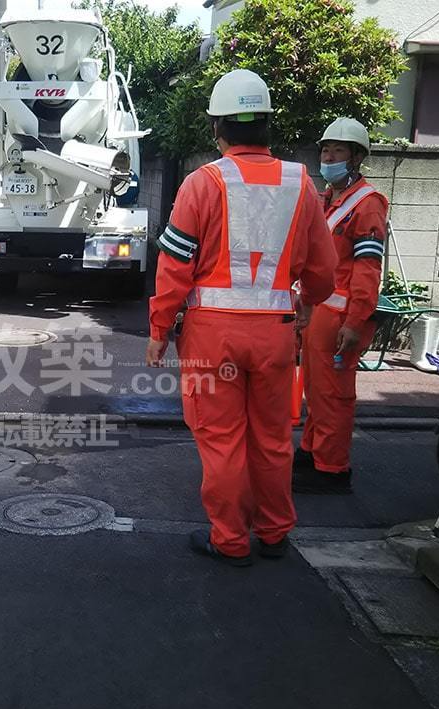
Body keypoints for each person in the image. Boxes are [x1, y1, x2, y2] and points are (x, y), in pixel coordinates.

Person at [146, 69, 337, 567]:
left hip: (213, 337)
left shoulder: (201, 184)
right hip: (275, 334)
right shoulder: (302, 184)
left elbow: (174, 266)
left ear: (218, 128)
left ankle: (230, 540)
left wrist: (159, 330)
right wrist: (308, 303)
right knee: (273, 438)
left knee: (222, 440)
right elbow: (323, 270)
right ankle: (275, 533)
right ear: (267, 125)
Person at [292, 117, 389, 494]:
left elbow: (368, 268)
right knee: (315, 390)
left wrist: (354, 321)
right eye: (325, 149)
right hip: (320, 314)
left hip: (341, 319)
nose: (328, 156)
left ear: (356, 158)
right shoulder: (330, 199)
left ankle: (332, 469)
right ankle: (313, 450)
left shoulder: (367, 205)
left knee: (334, 395)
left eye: (338, 150)